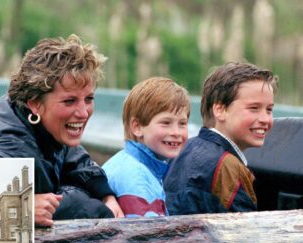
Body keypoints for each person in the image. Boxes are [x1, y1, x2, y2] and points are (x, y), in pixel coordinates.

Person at [0, 34, 124, 226]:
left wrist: (105, 194)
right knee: (82, 207)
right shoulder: (9, 150)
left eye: (89, 99)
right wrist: (20, 209)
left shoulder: (31, 115)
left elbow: (70, 154)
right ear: (34, 104)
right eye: (69, 101)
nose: (83, 112)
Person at [164, 62, 278, 215]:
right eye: (254, 108)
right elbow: (245, 233)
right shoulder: (228, 167)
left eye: (269, 110)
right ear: (220, 110)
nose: (265, 119)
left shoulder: (185, 148)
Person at [102, 77, 190, 217]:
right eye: (166, 123)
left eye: (182, 123)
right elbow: (147, 236)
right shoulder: (136, 178)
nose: (176, 132)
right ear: (137, 127)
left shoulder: (131, 163)